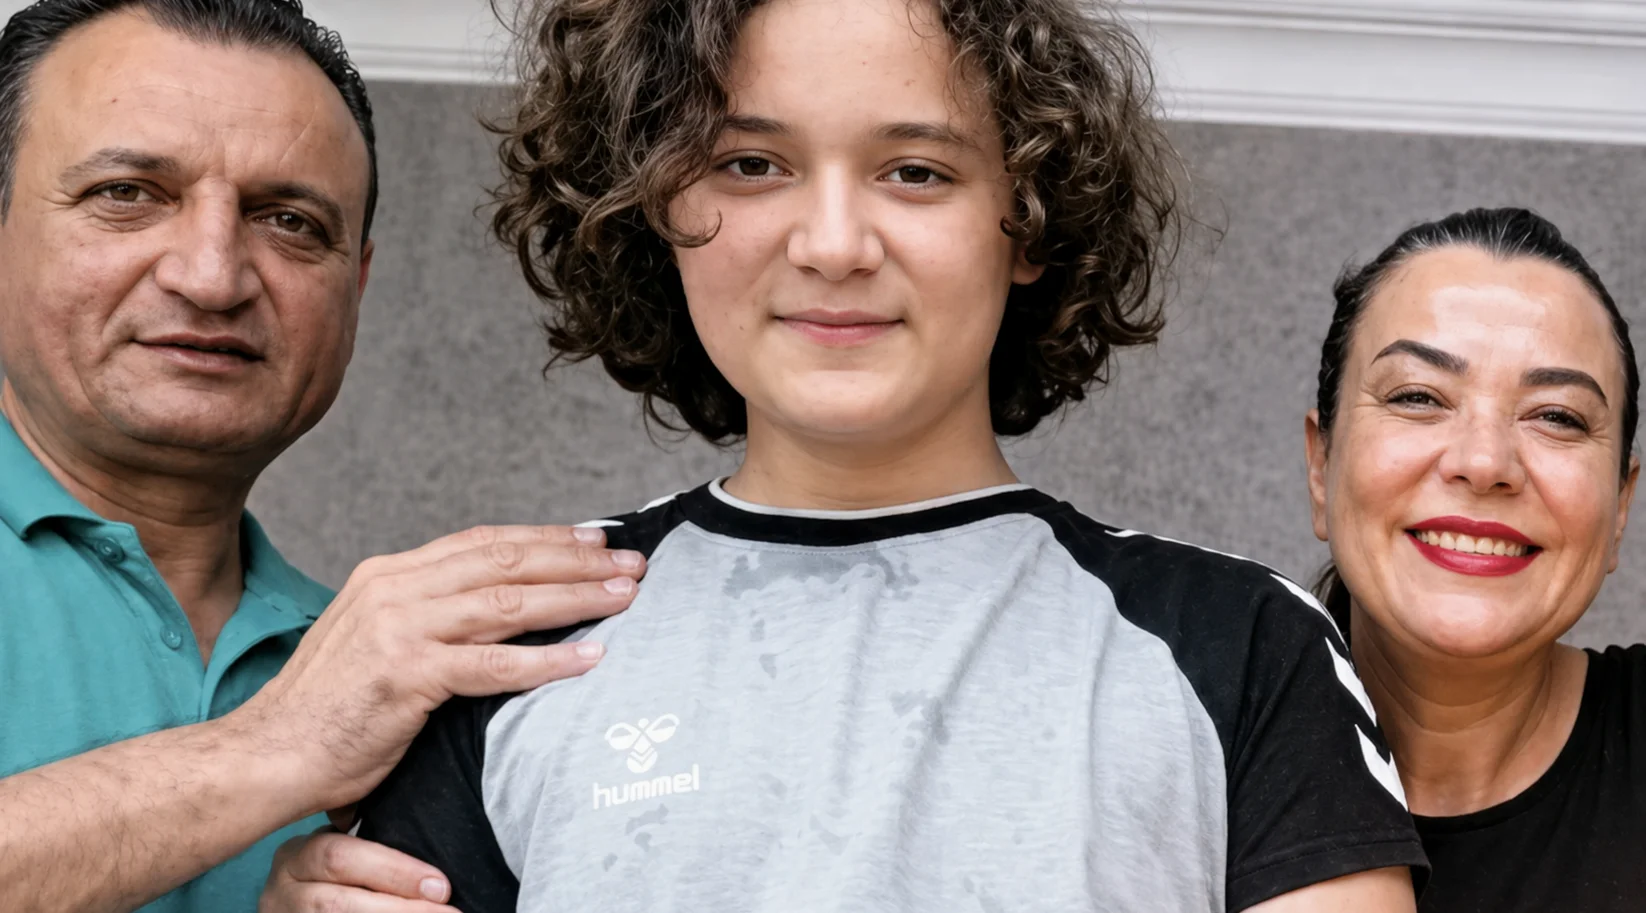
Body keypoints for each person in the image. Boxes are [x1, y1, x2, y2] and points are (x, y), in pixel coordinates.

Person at [318, 0, 1431, 908]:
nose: (834, 245)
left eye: (916, 172)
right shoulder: (512, 641)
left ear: (1031, 220)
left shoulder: (1243, 644)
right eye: (751, 164)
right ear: (654, 204)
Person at [0, 2, 645, 911]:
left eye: (290, 221)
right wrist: (269, 747)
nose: (212, 275)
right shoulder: (333, 700)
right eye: (127, 194)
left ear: (356, 286)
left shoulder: (375, 665)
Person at [1304, 207, 1644, 911]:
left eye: (1556, 416)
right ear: (1320, 464)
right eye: (1418, 397)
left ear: (1620, 506)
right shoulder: (1178, 751)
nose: (1485, 462)